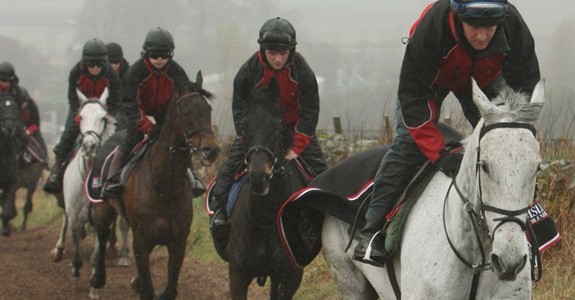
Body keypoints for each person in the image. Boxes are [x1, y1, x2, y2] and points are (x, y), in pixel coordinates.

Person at [353, 0, 540, 267]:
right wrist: (439, 155)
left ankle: (531, 228)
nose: (482, 36)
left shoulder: (512, 25)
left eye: (490, 28)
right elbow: (414, 100)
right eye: (474, 26)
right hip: (432, 82)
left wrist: (522, 134)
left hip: (483, 80)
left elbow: (527, 85)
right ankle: (371, 231)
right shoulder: (432, 29)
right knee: (408, 143)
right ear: (457, 16)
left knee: (510, 146)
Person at [209, 17, 328, 233]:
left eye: (283, 54)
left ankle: (329, 221)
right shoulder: (247, 73)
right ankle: (219, 212)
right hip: (259, 132)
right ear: (263, 50)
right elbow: (239, 110)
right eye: (272, 54)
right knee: (229, 169)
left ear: (290, 51)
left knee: (322, 173)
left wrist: (297, 147)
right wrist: (247, 139)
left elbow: (311, 112)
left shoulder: (302, 71)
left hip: (294, 130)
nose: (278, 59)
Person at [100, 27, 205, 200]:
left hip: (164, 112)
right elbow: (129, 104)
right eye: (155, 55)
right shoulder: (135, 72)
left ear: (170, 55)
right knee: (131, 140)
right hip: (138, 112)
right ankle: (112, 181)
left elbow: (185, 95)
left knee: (180, 141)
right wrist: (147, 127)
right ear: (146, 53)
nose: (159, 60)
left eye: (164, 55)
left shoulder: (176, 70)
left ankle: (193, 178)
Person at [43, 38, 122, 194]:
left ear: (104, 63)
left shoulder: (111, 75)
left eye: (98, 65)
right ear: (85, 63)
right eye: (91, 65)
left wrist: (107, 116)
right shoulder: (75, 72)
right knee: (68, 134)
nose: (94, 69)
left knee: (121, 135)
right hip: (81, 109)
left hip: (103, 112)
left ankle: (119, 173)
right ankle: (57, 169)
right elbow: (72, 99)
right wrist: (77, 115)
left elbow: (116, 101)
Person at [0, 61, 47, 160]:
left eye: (7, 81)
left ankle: (24, 156)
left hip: (14, 121)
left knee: (22, 136)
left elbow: (23, 112)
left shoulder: (18, 92)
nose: (5, 83)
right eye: (2, 80)